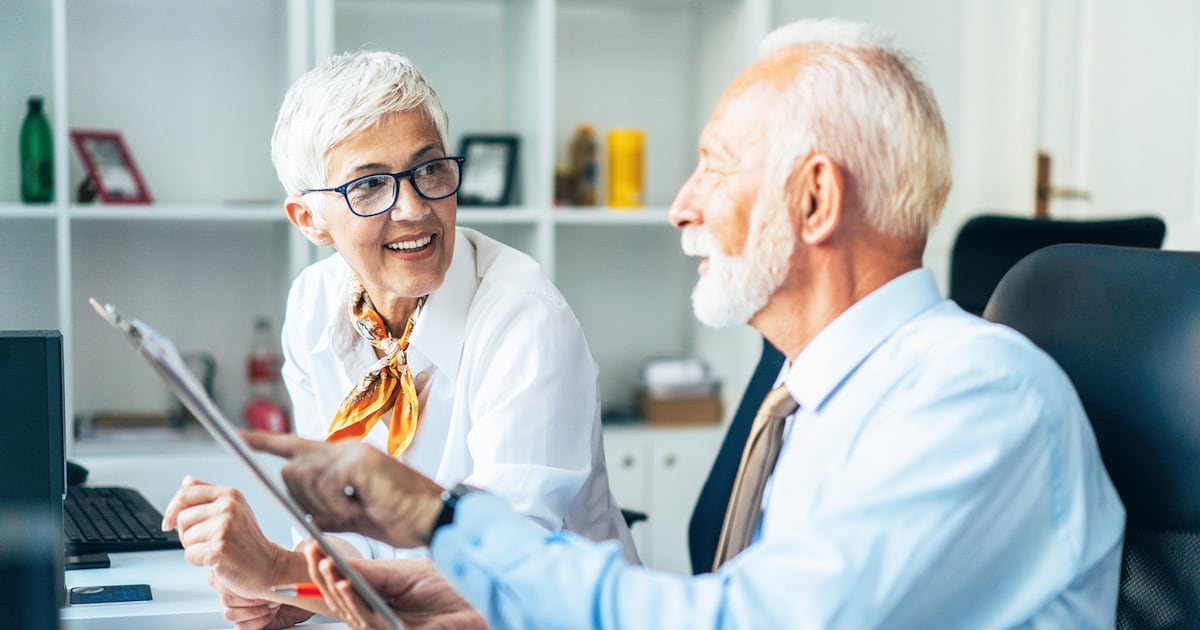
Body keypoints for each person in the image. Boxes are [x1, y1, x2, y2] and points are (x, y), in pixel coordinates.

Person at [246, 18, 1127, 628]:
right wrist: (467, 597)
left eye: (713, 167)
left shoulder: (975, 396)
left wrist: (443, 524)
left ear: (814, 198)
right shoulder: (814, 395)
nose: (679, 208)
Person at [160, 50, 635, 629]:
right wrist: (291, 591)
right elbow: (348, 540)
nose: (414, 209)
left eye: (429, 170)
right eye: (369, 184)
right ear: (309, 220)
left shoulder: (525, 321)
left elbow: (491, 584)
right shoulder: (314, 309)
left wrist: (280, 574)